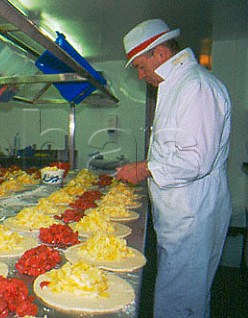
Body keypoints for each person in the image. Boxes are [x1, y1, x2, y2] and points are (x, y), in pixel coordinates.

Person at [116, 19, 232, 317]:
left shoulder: (195, 88)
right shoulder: (178, 86)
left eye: (141, 67)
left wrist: (144, 169)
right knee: (176, 297)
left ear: (161, 54)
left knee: (183, 303)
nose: (141, 76)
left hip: (193, 216)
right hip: (180, 217)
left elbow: (196, 160)